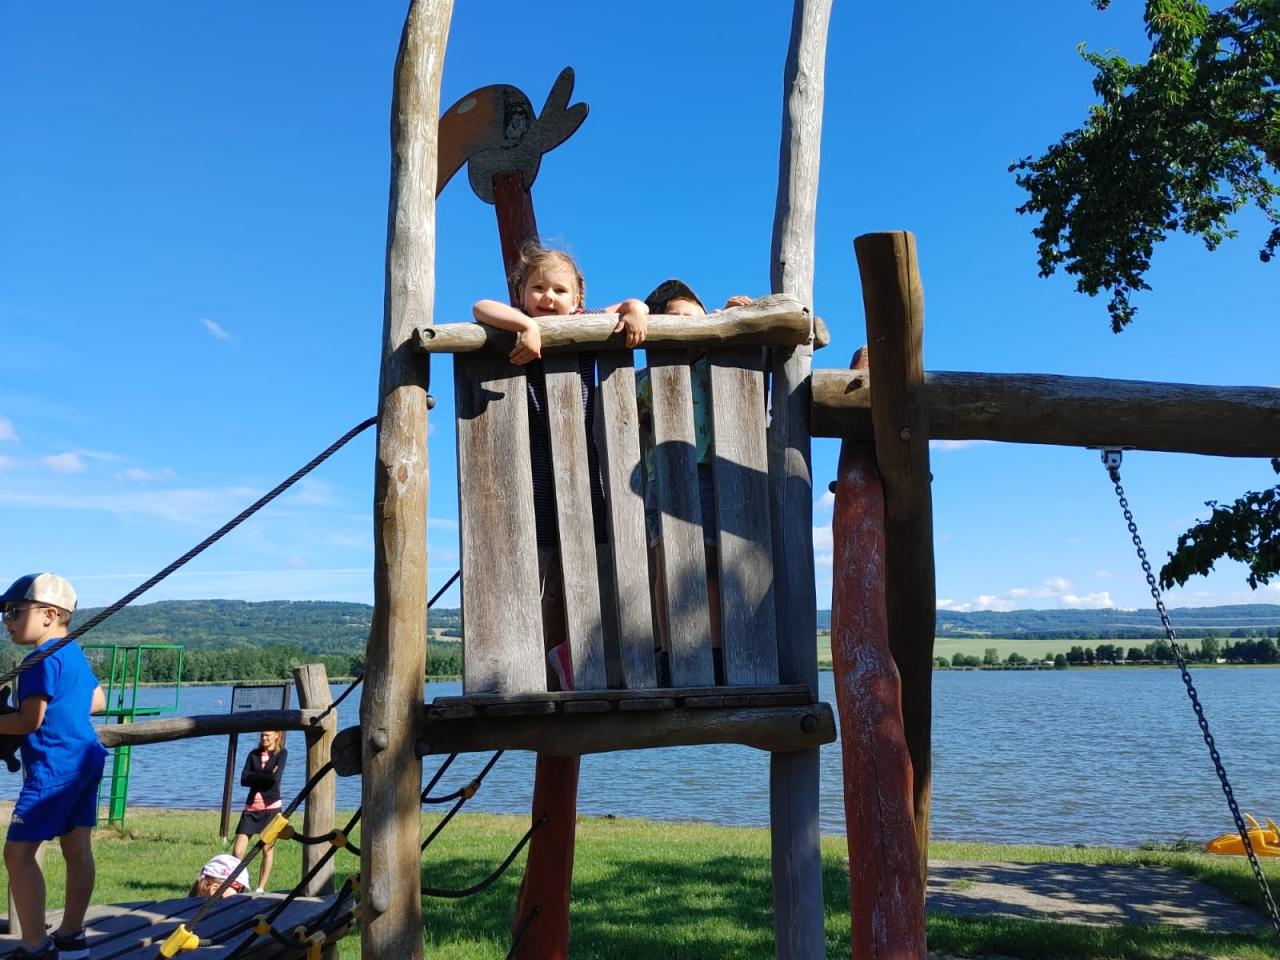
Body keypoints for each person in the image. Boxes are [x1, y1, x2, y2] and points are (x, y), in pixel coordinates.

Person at [473, 243, 649, 689]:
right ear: (521, 293)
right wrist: (526, 326)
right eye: (537, 288)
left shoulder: (585, 323)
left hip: (581, 466)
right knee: (536, 561)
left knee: (587, 560)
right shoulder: (519, 321)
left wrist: (635, 311)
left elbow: (631, 304)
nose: (548, 297)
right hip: (529, 465)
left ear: (577, 299)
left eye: (559, 290)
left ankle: (573, 654)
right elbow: (480, 307)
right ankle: (530, 658)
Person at [638, 281, 753, 682]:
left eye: (696, 319)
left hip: (707, 474)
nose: (688, 326)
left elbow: (748, 352)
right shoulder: (646, 379)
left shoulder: (714, 368)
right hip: (662, 477)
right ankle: (669, 654)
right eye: (677, 319)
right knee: (666, 567)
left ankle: (716, 654)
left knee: (710, 566)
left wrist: (735, 315)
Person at [0, 573, 107, 960]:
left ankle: (35, 947)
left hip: (54, 767)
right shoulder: (73, 653)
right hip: (86, 758)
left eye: (15, 611)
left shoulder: (37, 661)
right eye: (4, 613)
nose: (7, 621)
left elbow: (30, 721)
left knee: (17, 854)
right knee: (77, 848)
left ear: (48, 614)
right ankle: (71, 935)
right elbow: (98, 700)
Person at [231, 730, 286, 893]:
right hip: (251, 808)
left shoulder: (281, 754)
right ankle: (236, 886)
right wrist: (266, 776)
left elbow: (275, 779)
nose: (264, 738)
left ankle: (260, 888)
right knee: (237, 852)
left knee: (267, 849)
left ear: (277, 735)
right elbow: (243, 779)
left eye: (267, 735)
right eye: (262, 735)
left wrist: (254, 777)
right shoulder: (253, 755)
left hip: (271, 808)